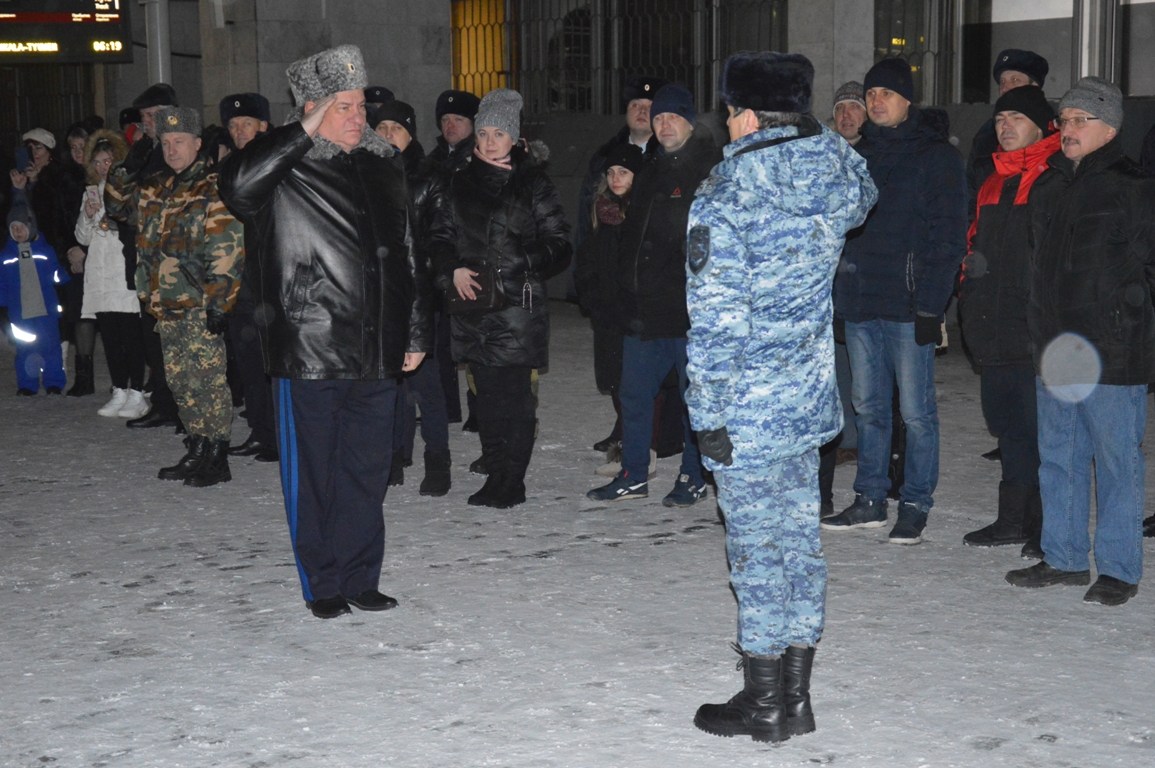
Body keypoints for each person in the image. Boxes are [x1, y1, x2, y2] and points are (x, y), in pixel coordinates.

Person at [688, 51, 876, 744]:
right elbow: (864, 191)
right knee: (799, 547)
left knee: (757, 557)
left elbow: (715, 320)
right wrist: (816, 135)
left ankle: (763, 706)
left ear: (741, 112)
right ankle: (795, 698)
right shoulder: (831, 171)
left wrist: (706, 413)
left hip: (746, 407)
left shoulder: (728, 192)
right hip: (806, 400)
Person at [219, 44, 433, 619]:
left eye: (361, 105)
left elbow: (407, 254)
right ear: (312, 110)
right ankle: (324, 581)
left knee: (366, 470)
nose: (359, 117)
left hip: (376, 346)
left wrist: (413, 332)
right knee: (314, 472)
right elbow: (238, 188)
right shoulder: (285, 164)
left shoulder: (383, 161)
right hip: (310, 342)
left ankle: (363, 575)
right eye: (344, 107)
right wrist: (302, 130)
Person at [1005, 77, 1155, 606]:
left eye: (1079, 120)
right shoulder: (1048, 185)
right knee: (1060, 458)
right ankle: (1064, 557)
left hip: (1112, 350)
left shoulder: (1134, 187)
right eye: (1063, 120)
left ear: (1109, 128)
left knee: (1116, 463)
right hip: (1057, 348)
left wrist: (1130, 322)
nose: (1066, 129)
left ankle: (1118, 568)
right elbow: (1035, 269)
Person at [822, 58, 967, 544]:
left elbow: (948, 238)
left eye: (885, 93)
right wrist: (843, 296)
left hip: (908, 306)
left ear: (908, 100)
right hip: (863, 302)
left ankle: (915, 502)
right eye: (870, 94)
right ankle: (869, 498)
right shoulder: (857, 154)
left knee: (917, 413)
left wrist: (931, 306)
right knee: (867, 408)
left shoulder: (935, 157)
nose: (875, 101)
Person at [429, 87, 572, 509]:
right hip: (471, 303)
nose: (490, 142)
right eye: (485, 133)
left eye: (500, 134)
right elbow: (438, 236)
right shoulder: (458, 183)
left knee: (515, 397)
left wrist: (523, 259)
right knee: (485, 396)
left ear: (515, 138)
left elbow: (560, 241)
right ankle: (495, 472)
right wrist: (451, 268)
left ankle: (511, 480)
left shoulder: (532, 183)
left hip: (518, 302)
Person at [587, 83, 721, 507]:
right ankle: (633, 473)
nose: (664, 124)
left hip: (687, 314)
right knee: (633, 395)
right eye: (658, 117)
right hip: (644, 311)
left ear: (689, 120)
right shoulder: (648, 170)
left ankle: (693, 474)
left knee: (691, 401)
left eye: (673, 117)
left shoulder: (708, 170)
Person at [119, 106, 245, 487]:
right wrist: (129, 165)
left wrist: (220, 304)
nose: (172, 149)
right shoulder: (154, 186)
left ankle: (217, 455)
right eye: (166, 142)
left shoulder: (213, 185)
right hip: (164, 304)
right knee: (180, 382)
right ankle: (197, 447)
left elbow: (227, 248)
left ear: (197, 144)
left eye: (180, 142)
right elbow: (114, 207)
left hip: (198, 302)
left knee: (208, 382)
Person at [957, 86, 1058, 553]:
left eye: (1017, 117)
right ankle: (1012, 519)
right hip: (993, 330)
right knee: (1010, 430)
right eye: (1000, 119)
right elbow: (974, 251)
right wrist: (970, 303)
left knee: (1045, 435)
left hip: (1036, 334)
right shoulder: (993, 181)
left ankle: (1046, 528)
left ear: (1041, 126)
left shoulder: (1055, 178)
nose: (1006, 125)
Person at [575, 75, 666, 453]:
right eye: (635, 107)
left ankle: (652, 435)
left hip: (649, 293)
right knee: (616, 369)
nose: (642, 112)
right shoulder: (606, 156)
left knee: (650, 373)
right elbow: (587, 226)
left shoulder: (669, 155)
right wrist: (587, 287)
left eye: (649, 108)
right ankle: (625, 427)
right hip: (610, 291)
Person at [369, 99, 452, 496]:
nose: (387, 135)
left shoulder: (430, 176)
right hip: (381, 296)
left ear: (410, 133)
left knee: (425, 384)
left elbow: (441, 236)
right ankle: (392, 456)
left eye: (395, 128)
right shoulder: (364, 171)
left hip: (419, 293)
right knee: (389, 384)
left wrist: (429, 277)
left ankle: (438, 458)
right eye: (381, 128)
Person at [104, 82, 184, 432]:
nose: (146, 122)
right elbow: (116, 206)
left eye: (151, 115)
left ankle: (187, 408)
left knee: (181, 340)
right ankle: (165, 403)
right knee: (153, 337)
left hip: (176, 260)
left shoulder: (184, 148)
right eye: (143, 117)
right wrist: (131, 161)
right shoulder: (146, 150)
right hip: (144, 258)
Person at [573, 143, 644, 470]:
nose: (616, 178)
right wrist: (589, 293)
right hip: (606, 311)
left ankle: (634, 440)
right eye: (612, 172)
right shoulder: (601, 209)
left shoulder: (642, 211)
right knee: (615, 378)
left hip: (633, 313)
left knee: (634, 382)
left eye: (624, 172)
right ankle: (622, 429)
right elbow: (587, 256)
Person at [218, 92, 278, 464]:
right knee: (248, 363)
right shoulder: (228, 166)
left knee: (269, 364)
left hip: (268, 282)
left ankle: (275, 433)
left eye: (247, 125)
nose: (240, 132)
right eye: (234, 126)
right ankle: (260, 430)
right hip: (238, 281)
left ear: (264, 127)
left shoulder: (273, 162)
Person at [74, 129, 149, 419]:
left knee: (131, 335)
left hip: (122, 270)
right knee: (110, 335)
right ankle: (118, 389)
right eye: (98, 162)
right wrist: (89, 215)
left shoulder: (130, 188)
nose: (103, 167)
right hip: (99, 273)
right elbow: (82, 237)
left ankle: (137, 392)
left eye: (108, 160)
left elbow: (134, 228)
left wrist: (111, 223)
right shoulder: (89, 192)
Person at [428, 88, 482, 426]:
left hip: (470, 260)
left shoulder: (479, 158)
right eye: (445, 120)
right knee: (441, 341)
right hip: (440, 258)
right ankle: (447, 407)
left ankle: (479, 410)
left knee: (474, 340)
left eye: (458, 119)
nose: (450, 125)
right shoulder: (433, 160)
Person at [967, 50, 1049, 221]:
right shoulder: (985, 136)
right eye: (1002, 82)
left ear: (1034, 86)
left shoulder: (1057, 135)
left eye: (1014, 80)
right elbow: (972, 197)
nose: (1005, 88)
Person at [0, 201, 70, 395]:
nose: (18, 231)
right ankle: (27, 384)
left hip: (46, 309)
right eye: (13, 228)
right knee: (25, 350)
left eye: (21, 227)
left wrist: (67, 271)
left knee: (51, 348)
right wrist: (4, 308)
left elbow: (56, 274)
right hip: (20, 312)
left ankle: (54, 382)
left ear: (31, 227)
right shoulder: (5, 255)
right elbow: (2, 283)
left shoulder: (45, 251)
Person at [59, 122, 98, 397]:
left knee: (102, 317)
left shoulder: (98, 177)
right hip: (73, 255)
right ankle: (83, 376)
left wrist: (85, 250)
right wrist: (71, 251)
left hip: (98, 253)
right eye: (73, 148)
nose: (77, 153)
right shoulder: (65, 178)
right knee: (79, 314)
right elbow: (60, 221)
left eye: (82, 147)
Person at [832, 80, 867, 146]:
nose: (845, 114)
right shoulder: (819, 151)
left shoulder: (882, 152)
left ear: (867, 114)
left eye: (854, 106)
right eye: (839, 107)